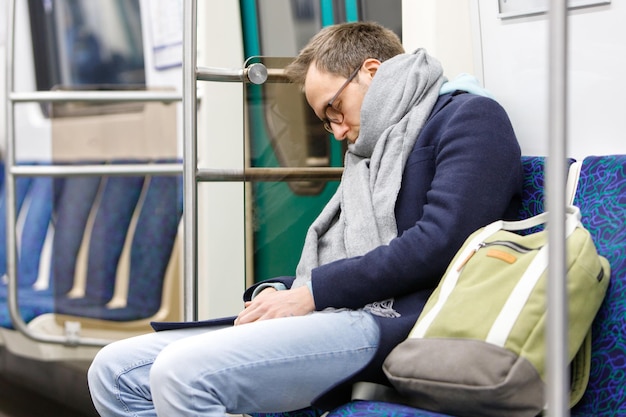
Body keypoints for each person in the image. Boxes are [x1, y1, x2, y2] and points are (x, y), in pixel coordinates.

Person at [87, 22, 522, 416]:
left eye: (334, 108)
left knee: (181, 374)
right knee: (113, 371)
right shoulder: (368, 155)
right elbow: (347, 252)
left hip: (401, 318)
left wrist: (311, 293)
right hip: (340, 309)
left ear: (372, 70)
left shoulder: (469, 118)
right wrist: (282, 290)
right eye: (324, 121)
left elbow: (443, 241)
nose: (335, 131)